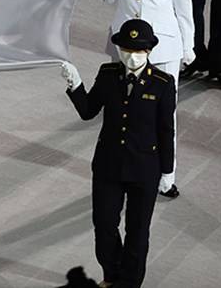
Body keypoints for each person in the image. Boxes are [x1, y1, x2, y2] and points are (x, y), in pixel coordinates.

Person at [86, 0, 193, 198]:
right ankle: (126, 166)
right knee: (124, 109)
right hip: (126, 47)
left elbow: (184, 8)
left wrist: (189, 46)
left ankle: (166, 175)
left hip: (163, 48)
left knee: (164, 114)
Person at [61, 19, 175, 288]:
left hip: (144, 169)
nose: (132, 56)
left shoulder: (162, 83)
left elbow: (166, 130)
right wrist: (75, 84)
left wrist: (167, 172)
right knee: (103, 226)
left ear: (148, 52)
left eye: (138, 51)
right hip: (108, 166)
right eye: (126, 50)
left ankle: (129, 283)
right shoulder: (108, 74)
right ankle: (111, 275)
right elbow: (88, 111)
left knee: (137, 232)